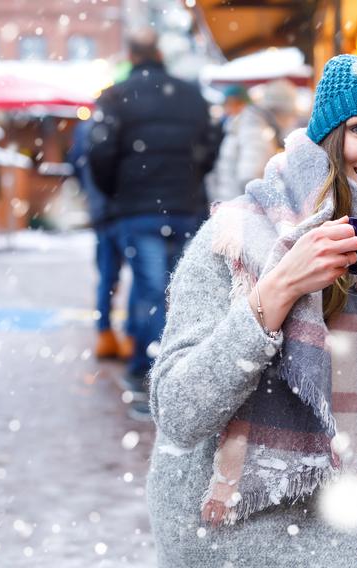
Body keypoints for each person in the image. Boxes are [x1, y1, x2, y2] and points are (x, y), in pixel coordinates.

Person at [146, 54, 357, 567]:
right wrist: (277, 290)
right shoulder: (238, 237)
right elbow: (178, 412)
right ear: (328, 138)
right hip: (254, 536)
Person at [88, 28, 218, 419]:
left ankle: (150, 377)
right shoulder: (191, 95)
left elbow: (99, 153)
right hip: (184, 205)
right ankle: (173, 374)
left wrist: (118, 192)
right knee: (182, 291)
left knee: (149, 291)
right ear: (159, 53)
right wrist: (191, 178)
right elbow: (210, 146)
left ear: (131, 54)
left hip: (139, 208)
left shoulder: (115, 97)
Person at [66, 119, 133, 361]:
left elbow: (75, 162)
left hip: (101, 209)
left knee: (107, 275)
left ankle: (105, 332)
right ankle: (130, 336)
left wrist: (90, 193)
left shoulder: (88, 127)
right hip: (124, 210)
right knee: (139, 276)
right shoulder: (125, 123)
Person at [206, 79, 301, 203]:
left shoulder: (252, 123)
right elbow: (249, 179)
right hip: (239, 211)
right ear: (282, 111)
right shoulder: (257, 130)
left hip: (230, 205)